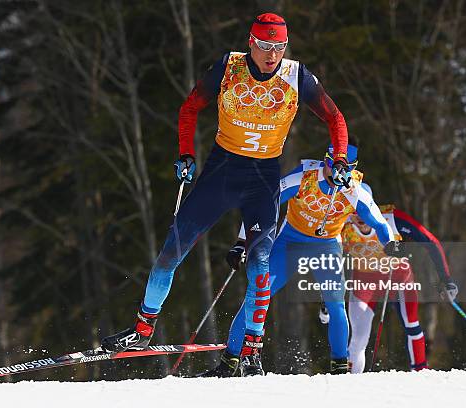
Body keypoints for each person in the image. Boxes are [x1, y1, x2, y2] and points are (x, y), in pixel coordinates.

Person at [100, 13, 351, 376]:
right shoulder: (229, 66)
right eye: (265, 46)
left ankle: (250, 350)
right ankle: (142, 329)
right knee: (172, 251)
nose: (272, 55)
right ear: (251, 42)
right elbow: (189, 108)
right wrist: (186, 153)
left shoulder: (298, 75)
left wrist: (340, 157)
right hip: (222, 170)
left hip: (263, 177)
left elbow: (336, 118)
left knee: (260, 266)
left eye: (279, 47)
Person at [201, 144, 403, 377]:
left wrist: (391, 245)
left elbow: (379, 223)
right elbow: (263, 204)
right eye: (330, 164)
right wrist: (241, 242)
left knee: (336, 304)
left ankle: (339, 367)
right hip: (290, 241)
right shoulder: (304, 177)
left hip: (326, 246)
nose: (336, 173)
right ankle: (230, 361)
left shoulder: (355, 191)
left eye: (343, 169)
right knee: (258, 292)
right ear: (325, 160)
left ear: (352, 169)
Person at [340, 183, 458, 373]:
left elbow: (430, 242)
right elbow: (328, 259)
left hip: (398, 278)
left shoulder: (391, 219)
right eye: (354, 211)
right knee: (358, 337)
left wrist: (446, 279)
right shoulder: (341, 224)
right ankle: (347, 379)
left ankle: (419, 373)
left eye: (363, 210)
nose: (360, 218)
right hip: (364, 282)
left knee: (412, 324)